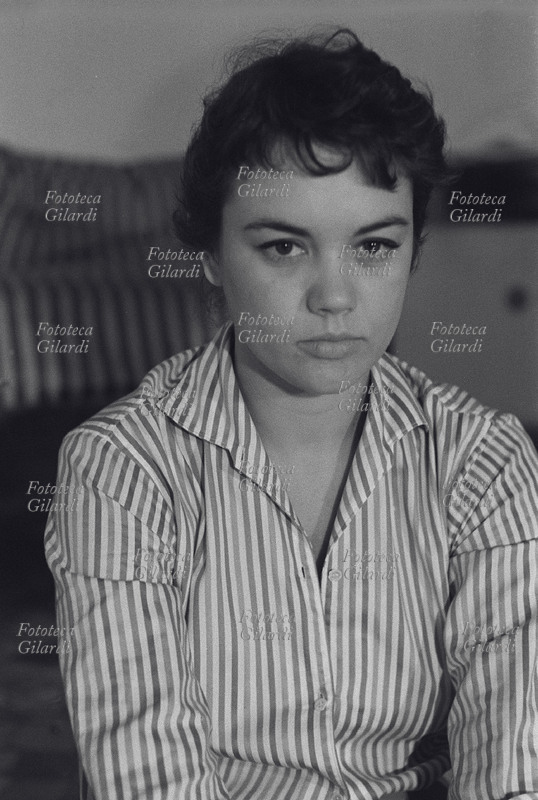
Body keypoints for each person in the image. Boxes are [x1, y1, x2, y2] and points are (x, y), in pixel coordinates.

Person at [45, 29, 538, 800]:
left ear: (413, 251)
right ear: (210, 252)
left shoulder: (485, 462)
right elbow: (149, 782)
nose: (335, 297)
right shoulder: (120, 472)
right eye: (284, 248)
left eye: (374, 246)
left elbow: (510, 761)